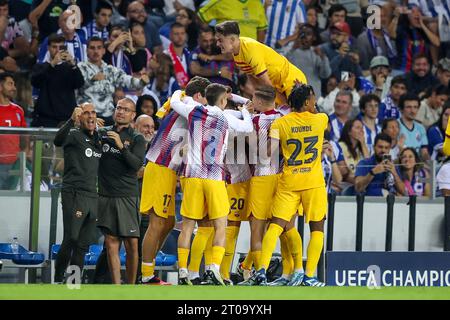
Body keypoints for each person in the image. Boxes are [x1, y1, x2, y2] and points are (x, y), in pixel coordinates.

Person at [169, 84, 253, 285]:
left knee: (188, 225)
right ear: (224, 101)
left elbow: (174, 102)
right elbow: (247, 127)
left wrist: (179, 92)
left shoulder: (194, 110)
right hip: (214, 177)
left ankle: (183, 270)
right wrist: (244, 111)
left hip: (193, 176)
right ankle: (213, 268)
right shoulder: (226, 117)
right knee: (220, 225)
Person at [246, 84, 327, 287]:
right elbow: (321, 116)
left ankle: (261, 271)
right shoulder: (320, 120)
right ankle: (308, 276)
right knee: (317, 229)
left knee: (274, 227)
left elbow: (267, 153)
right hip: (313, 183)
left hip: (289, 182)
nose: (315, 101)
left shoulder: (281, 123)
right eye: (313, 98)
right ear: (308, 102)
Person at [140, 76, 211, 285]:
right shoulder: (189, 105)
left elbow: (167, 108)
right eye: (207, 98)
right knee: (157, 223)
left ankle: (148, 266)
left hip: (167, 169)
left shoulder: (180, 100)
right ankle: (146, 275)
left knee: (169, 222)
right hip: (161, 167)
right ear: (198, 96)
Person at [239, 86, 302, 287]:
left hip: (261, 177)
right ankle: (291, 272)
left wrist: (244, 114)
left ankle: (259, 274)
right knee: (285, 227)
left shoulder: (254, 121)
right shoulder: (284, 120)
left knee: (257, 230)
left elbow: (250, 151)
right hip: (283, 178)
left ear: (257, 101)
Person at [97, 97, 147, 285]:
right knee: (111, 241)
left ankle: (132, 285)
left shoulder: (136, 138)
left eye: (126, 109)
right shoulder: (102, 133)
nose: (121, 111)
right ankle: (117, 286)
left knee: (132, 242)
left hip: (127, 195)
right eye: (119, 108)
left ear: (133, 115)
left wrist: (120, 146)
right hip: (106, 194)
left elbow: (136, 164)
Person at [53, 103, 101, 283]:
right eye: (86, 113)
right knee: (72, 237)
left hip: (92, 196)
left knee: (82, 244)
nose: (90, 116)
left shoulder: (97, 138)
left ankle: (73, 283)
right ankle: (58, 278)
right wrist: (70, 120)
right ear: (79, 117)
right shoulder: (73, 134)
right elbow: (57, 140)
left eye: (93, 113)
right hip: (73, 192)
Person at [215, 21, 307, 106]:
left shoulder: (249, 50)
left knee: (300, 117)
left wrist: (284, 106)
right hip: (278, 86)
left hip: (291, 79)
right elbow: (257, 83)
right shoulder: (236, 54)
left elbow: (267, 84)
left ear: (231, 40)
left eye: (220, 40)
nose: (217, 44)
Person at [77, 37, 149, 125]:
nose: (96, 51)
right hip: (88, 117)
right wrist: (91, 80)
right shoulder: (79, 68)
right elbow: (74, 86)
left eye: (99, 48)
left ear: (104, 50)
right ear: (86, 51)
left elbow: (128, 81)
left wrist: (142, 82)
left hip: (108, 117)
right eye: (92, 48)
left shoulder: (110, 70)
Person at [31, 33, 84, 128]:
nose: (58, 50)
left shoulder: (70, 68)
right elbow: (35, 82)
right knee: (40, 143)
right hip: (45, 119)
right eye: (54, 47)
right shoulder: (40, 67)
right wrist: (52, 64)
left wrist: (73, 65)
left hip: (67, 118)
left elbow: (80, 83)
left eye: (61, 47)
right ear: (48, 48)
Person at [285, 23, 331, 99]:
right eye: (302, 34)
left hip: (313, 97)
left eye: (308, 34)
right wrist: (292, 49)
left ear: (314, 37)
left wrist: (323, 58)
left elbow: (325, 75)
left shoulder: (317, 53)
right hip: (292, 96)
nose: (304, 37)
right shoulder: (289, 51)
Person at [0, 72, 26, 190]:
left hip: (15, 164)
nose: (14, 88)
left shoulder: (18, 110)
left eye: (14, 84)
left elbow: (24, 136)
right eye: (10, 84)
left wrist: (24, 155)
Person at [198, 0, 267, 42]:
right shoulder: (220, 2)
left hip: (249, 56)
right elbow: (200, 17)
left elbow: (261, 29)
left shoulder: (257, 3)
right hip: (226, 55)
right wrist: (210, 34)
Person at [338, 119, 370, 195]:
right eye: (358, 128)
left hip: (361, 183)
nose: (361, 131)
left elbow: (369, 164)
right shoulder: (340, 146)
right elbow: (344, 174)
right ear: (349, 131)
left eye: (362, 128)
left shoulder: (361, 149)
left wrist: (363, 143)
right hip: (346, 184)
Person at [398, 93, 430, 161]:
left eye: (415, 107)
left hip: (417, 166)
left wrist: (428, 163)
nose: (413, 111)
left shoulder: (421, 128)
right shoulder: (395, 126)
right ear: (401, 109)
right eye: (409, 107)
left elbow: (424, 151)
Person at [164, 22, 190, 89]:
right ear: (170, 36)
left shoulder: (189, 55)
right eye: (176, 34)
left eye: (182, 33)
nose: (180, 37)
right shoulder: (165, 55)